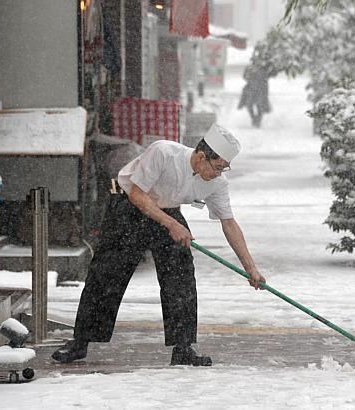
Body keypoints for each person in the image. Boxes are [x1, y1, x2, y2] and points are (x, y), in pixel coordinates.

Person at [52, 124, 266, 366]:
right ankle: (80, 342)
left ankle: (183, 347)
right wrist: (171, 224)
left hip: (167, 210)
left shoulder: (217, 183)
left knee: (181, 277)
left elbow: (229, 224)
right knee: (107, 275)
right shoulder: (163, 153)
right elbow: (137, 195)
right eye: (217, 167)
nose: (218, 173)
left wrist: (251, 268)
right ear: (201, 156)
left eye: (223, 169)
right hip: (129, 208)